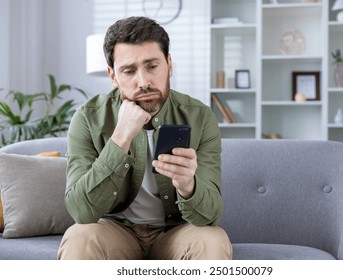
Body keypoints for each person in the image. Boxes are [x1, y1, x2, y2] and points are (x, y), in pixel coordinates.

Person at [57, 16, 232, 260]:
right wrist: (120, 137)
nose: (144, 82)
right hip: (116, 230)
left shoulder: (200, 117)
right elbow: (81, 212)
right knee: (80, 237)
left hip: (176, 232)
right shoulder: (87, 118)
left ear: (169, 65)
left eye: (152, 66)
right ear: (112, 75)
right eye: (128, 71)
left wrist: (188, 185)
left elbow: (211, 215)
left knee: (212, 240)